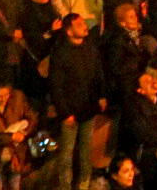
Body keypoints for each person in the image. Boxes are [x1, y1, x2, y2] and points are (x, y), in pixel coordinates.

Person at [45, 15, 104, 190]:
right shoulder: (61, 52)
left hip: (89, 108)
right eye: (79, 25)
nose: (84, 27)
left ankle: (84, 184)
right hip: (70, 111)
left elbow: (98, 73)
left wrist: (101, 96)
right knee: (67, 153)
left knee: (86, 151)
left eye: (84, 23)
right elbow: (56, 85)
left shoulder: (90, 48)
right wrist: (64, 112)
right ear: (69, 31)